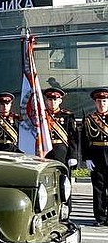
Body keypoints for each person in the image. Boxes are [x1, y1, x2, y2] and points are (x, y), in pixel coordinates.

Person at [81, 87, 108, 225]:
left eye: (104, 101)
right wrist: (87, 158)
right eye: (99, 101)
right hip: (96, 157)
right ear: (94, 102)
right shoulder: (89, 119)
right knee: (98, 189)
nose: (101, 104)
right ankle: (100, 217)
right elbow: (85, 140)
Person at [42, 87, 78, 167]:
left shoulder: (68, 116)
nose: (52, 102)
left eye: (55, 100)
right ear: (46, 101)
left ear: (60, 101)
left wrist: (73, 155)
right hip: (45, 151)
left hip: (61, 151)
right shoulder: (41, 116)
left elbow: (73, 138)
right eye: (50, 100)